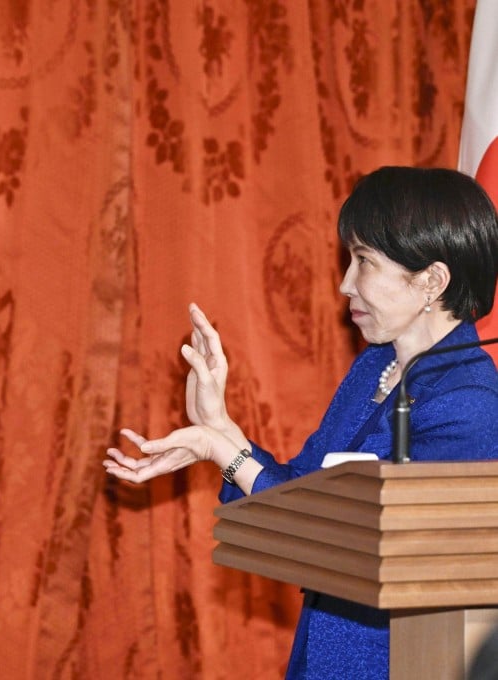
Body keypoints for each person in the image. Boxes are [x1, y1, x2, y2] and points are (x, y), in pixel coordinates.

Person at [104, 166, 498, 679]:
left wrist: (228, 455)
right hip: (324, 654)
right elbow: (303, 494)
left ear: (432, 280)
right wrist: (219, 432)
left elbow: (375, 553)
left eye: (363, 262)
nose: (344, 284)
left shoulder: (468, 397)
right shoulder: (374, 368)